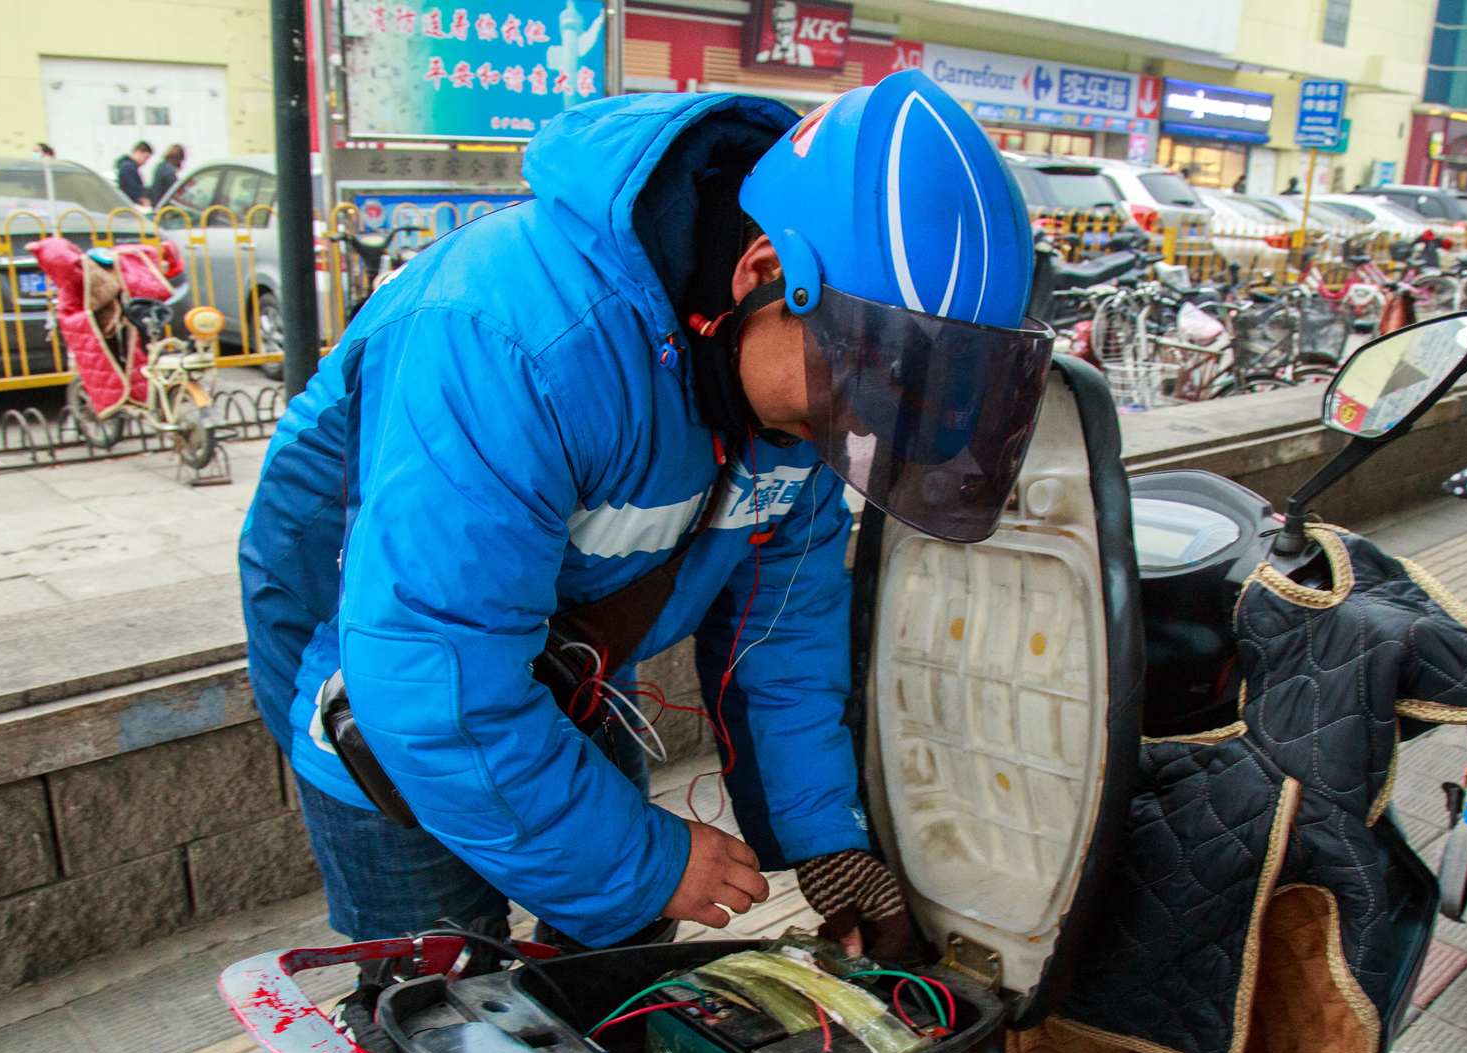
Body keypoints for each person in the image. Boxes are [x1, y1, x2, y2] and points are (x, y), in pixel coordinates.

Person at [240, 72, 1050, 959]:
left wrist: (826, 836)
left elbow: (783, 638)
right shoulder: (511, 335)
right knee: (435, 1011)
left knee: (615, 978)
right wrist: (647, 863)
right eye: (867, 380)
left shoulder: (800, 405)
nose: (867, 426)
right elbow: (431, 674)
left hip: (562, 668)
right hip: (377, 704)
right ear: (765, 273)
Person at [754, 0, 813, 65]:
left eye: (789, 20)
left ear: (795, 23)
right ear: (774, 24)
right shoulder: (762, 57)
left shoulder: (804, 53)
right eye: (780, 21)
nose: (785, 26)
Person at [114, 140, 153, 208]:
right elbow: (131, 189)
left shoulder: (124, 166)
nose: (145, 161)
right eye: (145, 157)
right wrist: (140, 199)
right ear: (138, 151)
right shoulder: (128, 168)